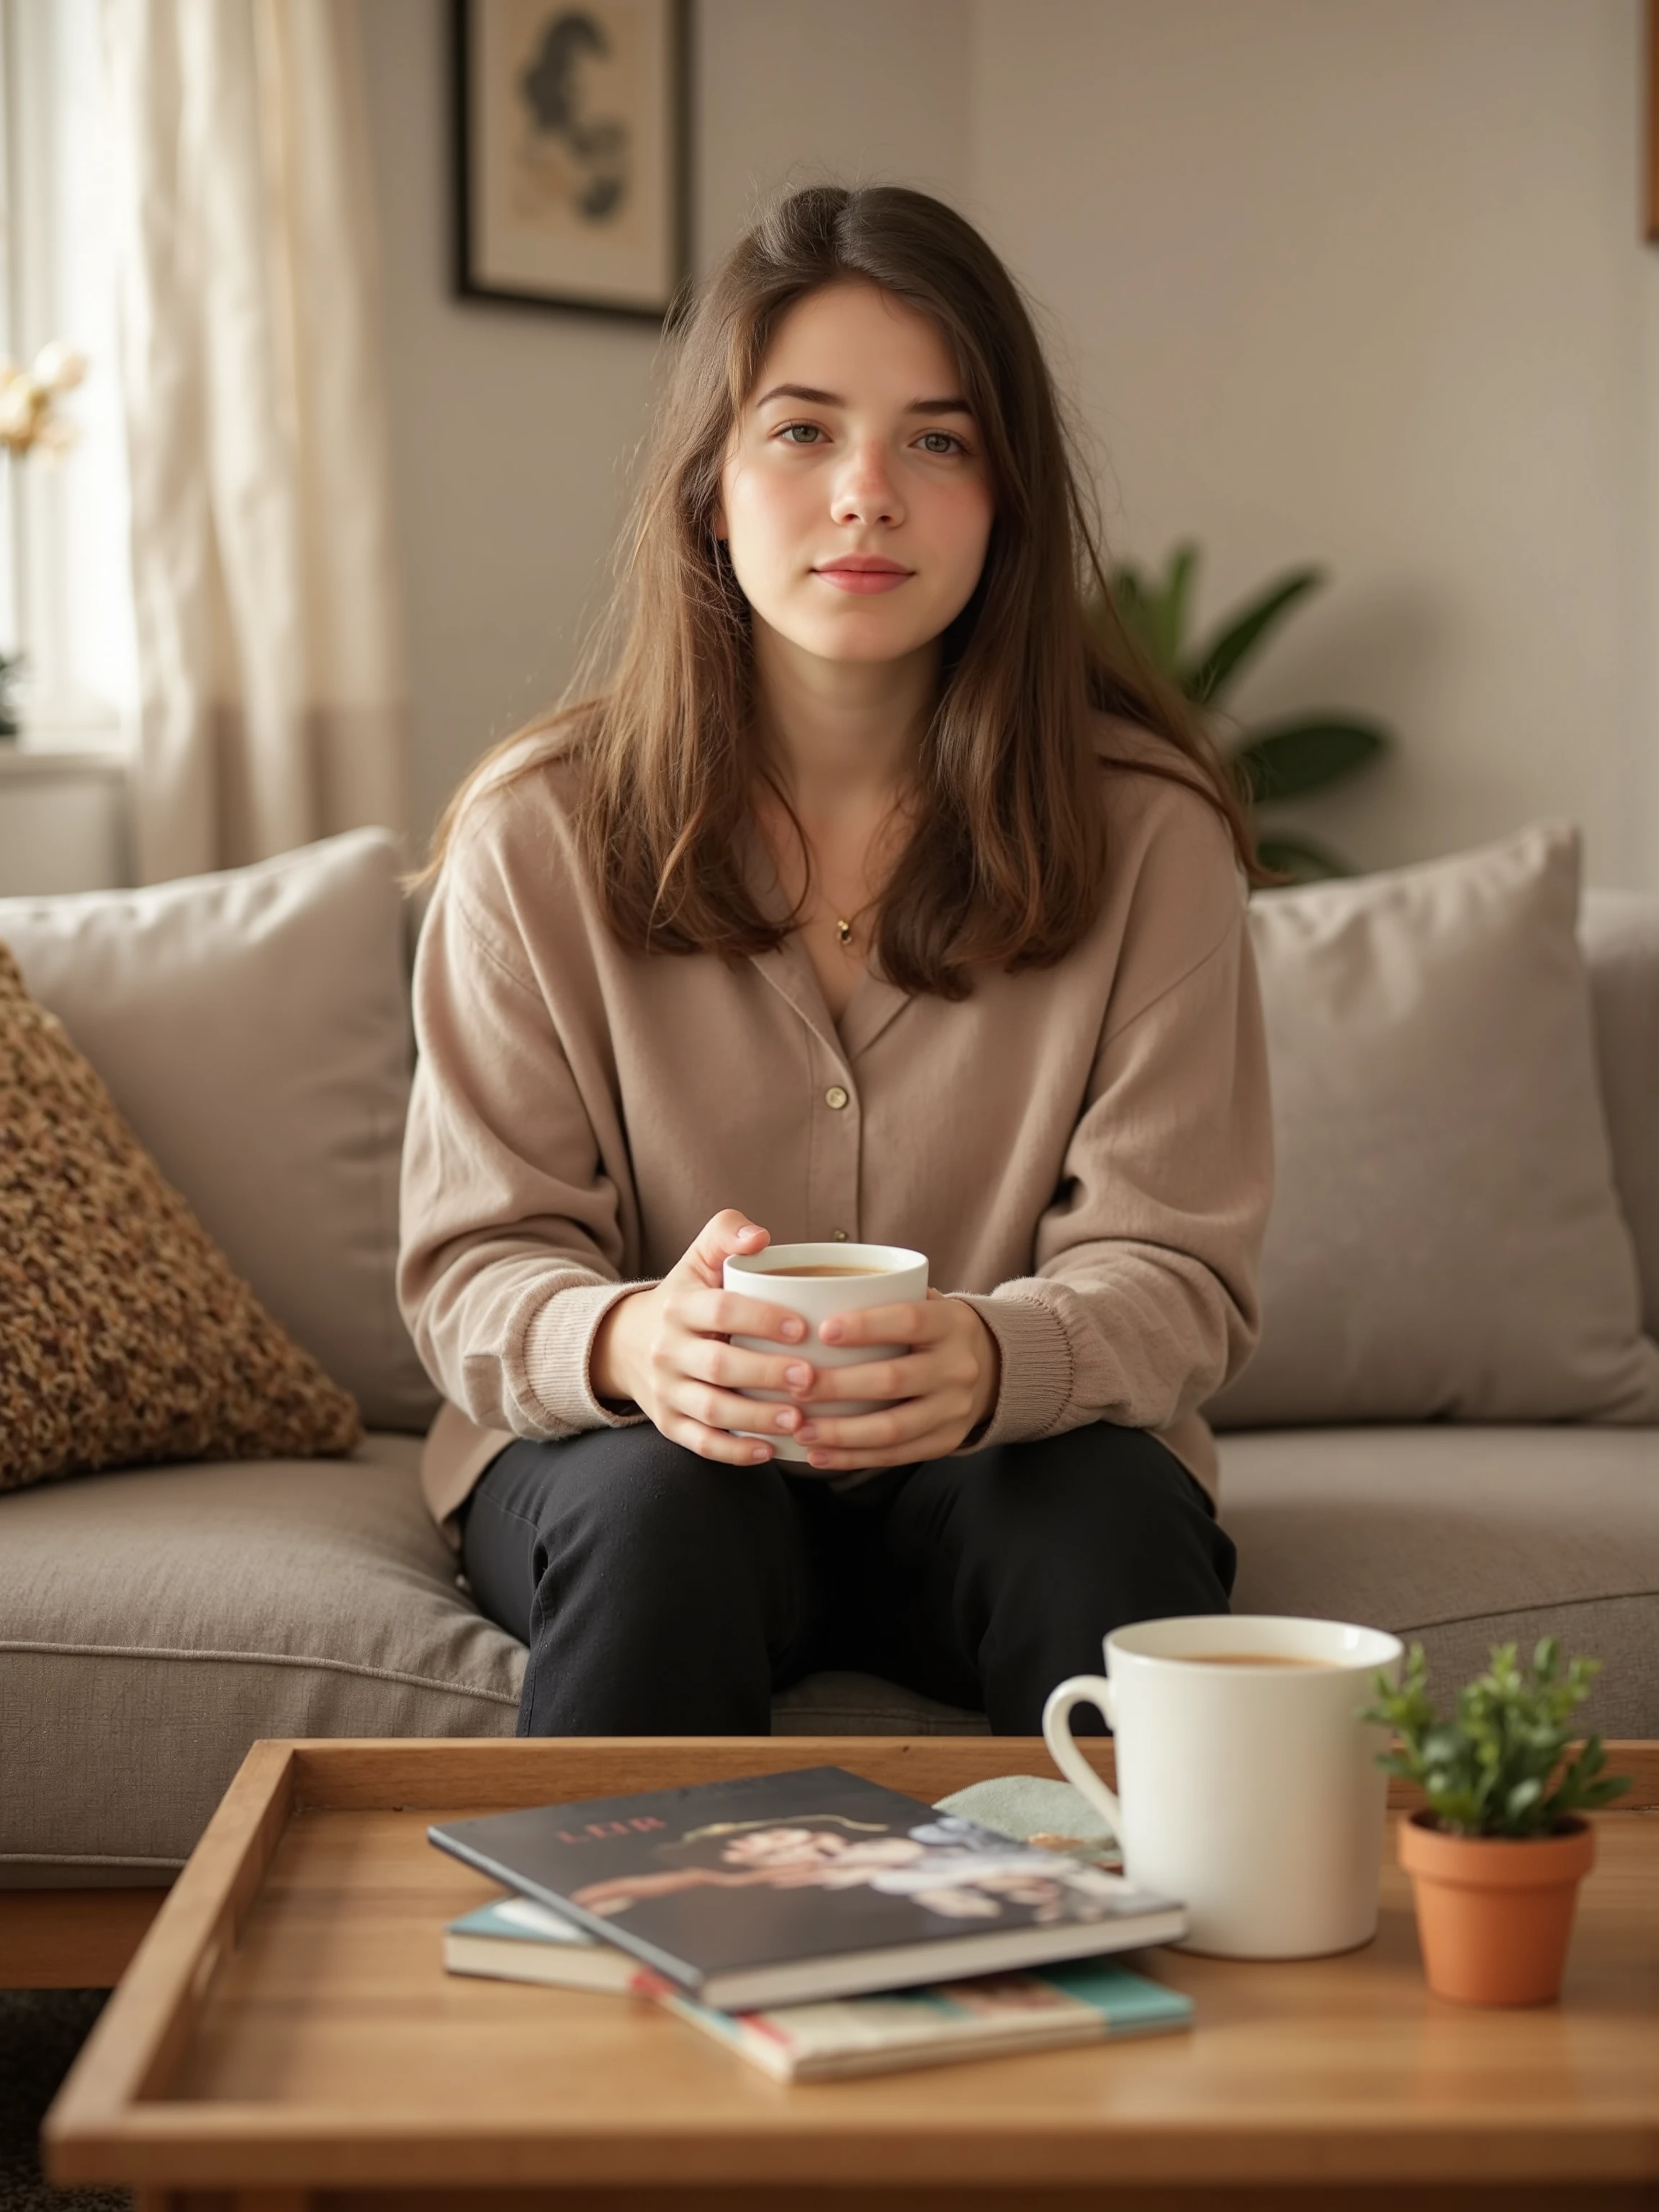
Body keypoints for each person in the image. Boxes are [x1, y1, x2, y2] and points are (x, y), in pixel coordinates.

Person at [397, 182, 1273, 1738]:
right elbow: (473, 1263)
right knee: (664, 1518)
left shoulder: (1153, 835)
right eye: (802, 431)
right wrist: (629, 1338)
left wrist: (1004, 1358)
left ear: (1006, 493)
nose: (867, 493)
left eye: (938, 439)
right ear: (709, 489)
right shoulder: (533, 836)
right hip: (646, 1463)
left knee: (1100, 1528)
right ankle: (616, 1972)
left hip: (1007, 1467)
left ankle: (1146, 1969)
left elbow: (1180, 1271)